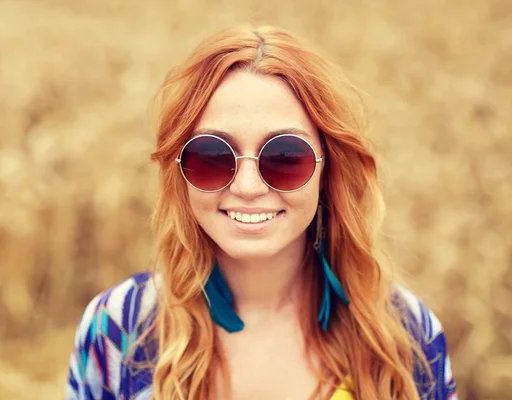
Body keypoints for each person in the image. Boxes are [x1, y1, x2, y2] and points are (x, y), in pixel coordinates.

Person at [66, 25, 458, 400]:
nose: (248, 187)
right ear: (180, 171)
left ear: (329, 170)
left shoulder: (405, 337)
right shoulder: (118, 326)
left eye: (286, 156)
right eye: (213, 156)